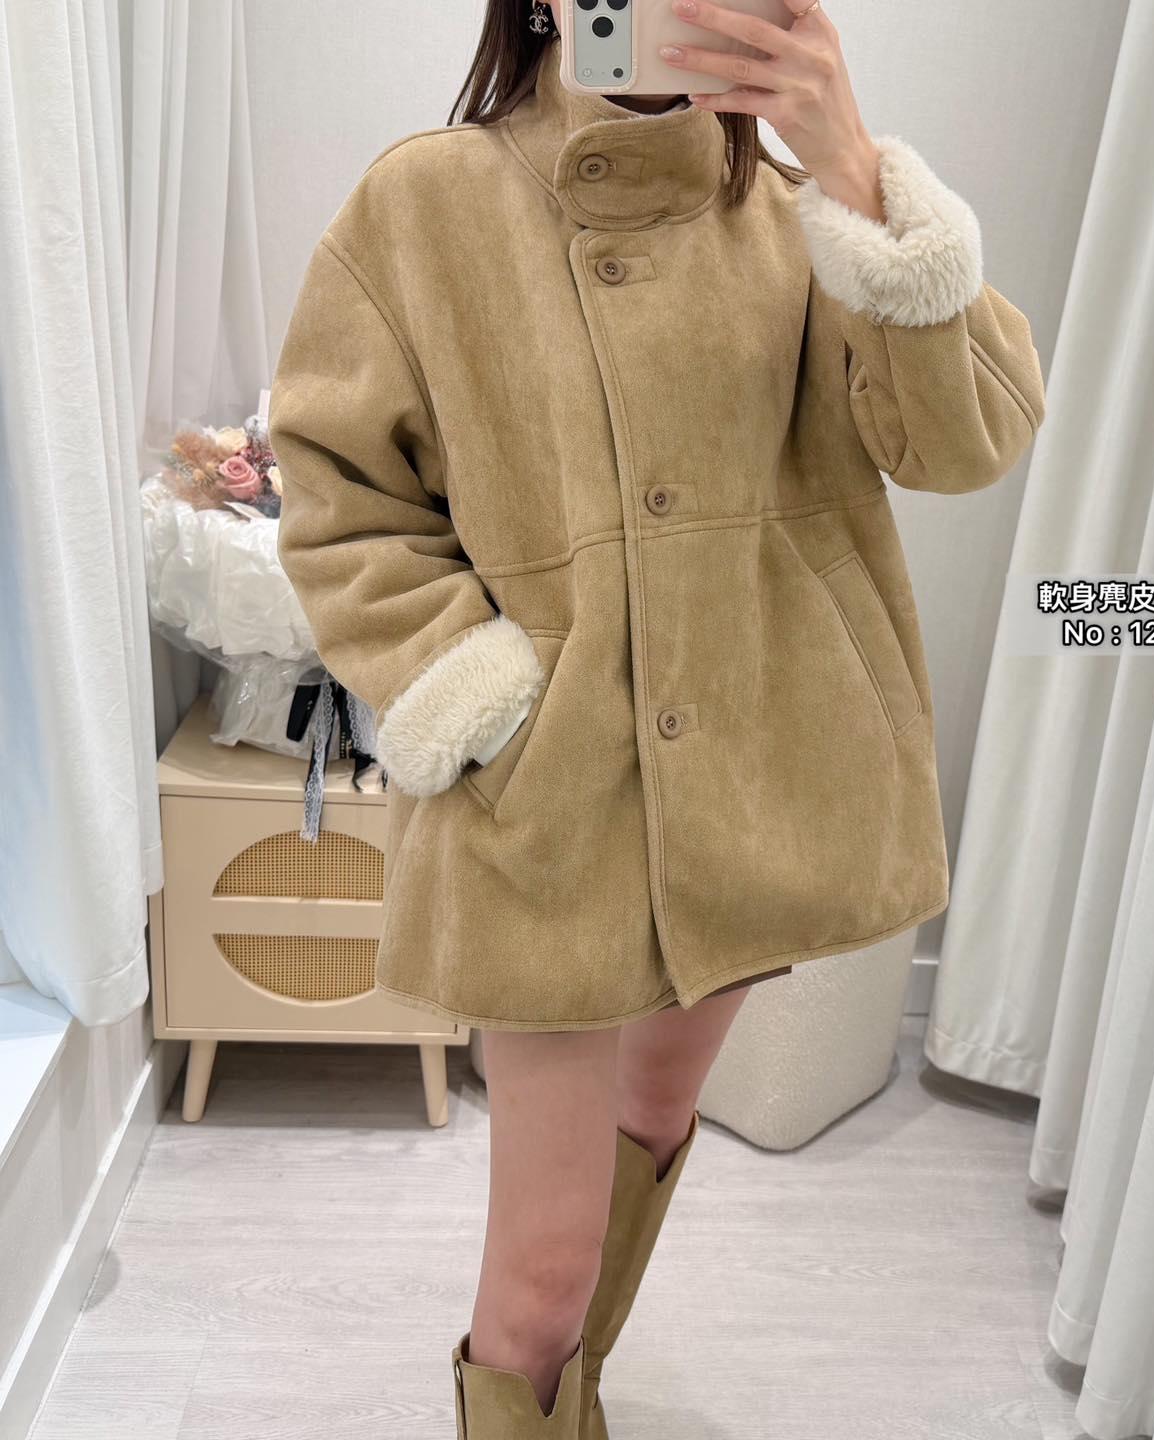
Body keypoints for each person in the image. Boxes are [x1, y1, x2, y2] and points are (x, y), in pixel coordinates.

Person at [269, 0, 1046, 1433]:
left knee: (655, 1120)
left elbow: (967, 442)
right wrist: (488, 703)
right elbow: (338, 500)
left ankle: (584, 1392)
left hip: (752, 776)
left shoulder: (802, 218)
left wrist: (856, 170)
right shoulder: (425, 206)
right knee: (540, 1273)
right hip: (548, 806)